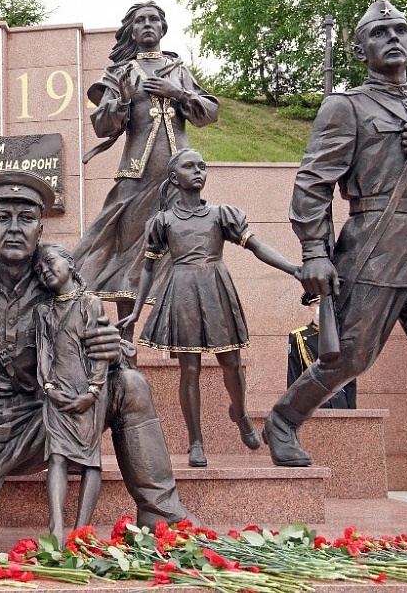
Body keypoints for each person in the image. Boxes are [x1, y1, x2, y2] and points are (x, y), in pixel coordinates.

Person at [262, 0, 407, 535]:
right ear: (362, 48)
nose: (393, 38)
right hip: (372, 250)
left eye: (401, 30)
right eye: (380, 32)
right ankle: (284, 419)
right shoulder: (346, 108)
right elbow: (313, 183)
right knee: (346, 362)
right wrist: (315, 251)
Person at [0, 169, 195, 548]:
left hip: (46, 418)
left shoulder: (65, 293)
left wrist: (114, 353)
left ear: (39, 232)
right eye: (2, 218)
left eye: (27, 219)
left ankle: (161, 510)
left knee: (129, 385)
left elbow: (111, 355)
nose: (15, 228)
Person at [119, 149, 299, 467]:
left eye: (202, 166)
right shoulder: (163, 221)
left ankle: (240, 413)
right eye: (190, 167)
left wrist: (293, 269)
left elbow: (257, 247)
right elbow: (148, 267)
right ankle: (195, 442)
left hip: (216, 289)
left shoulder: (221, 215)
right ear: (174, 177)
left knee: (231, 363)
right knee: (189, 370)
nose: (199, 171)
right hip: (182, 292)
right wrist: (136, 309)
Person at [73, 1, 219, 340]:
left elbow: (209, 112)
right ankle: (125, 343)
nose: (148, 24)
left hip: (179, 181)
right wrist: (121, 102)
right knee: (127, 256)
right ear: (132, 30)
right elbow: (102, 127)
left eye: (154, 19)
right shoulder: (120, 73)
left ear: (163, 28)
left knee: (184, 248)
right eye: (140, 20)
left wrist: (178, 93)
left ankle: (184, 334)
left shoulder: (178, 70)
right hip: (136, 178)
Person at [33, 242, 108, 547]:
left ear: (70, 263)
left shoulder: (90, 303)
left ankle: (81, 530)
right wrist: (49, 387)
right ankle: (56, 527)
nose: (45, 270)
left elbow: (100, 351)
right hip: (57, 393)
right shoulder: (44, 310)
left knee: (91, 461)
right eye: (40, 269)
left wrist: (92, 391)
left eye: (50, 262)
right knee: (57, 456)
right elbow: (43, 352)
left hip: (89, 391)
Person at [287, 294, 356, 409]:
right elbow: (294, 375)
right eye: (319, 304)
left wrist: (353, 410)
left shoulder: (343, 336)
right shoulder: (298, 336)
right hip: (310, 403)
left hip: (339, 403)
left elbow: (350, 378)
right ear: (311, 308)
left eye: (327, 304)